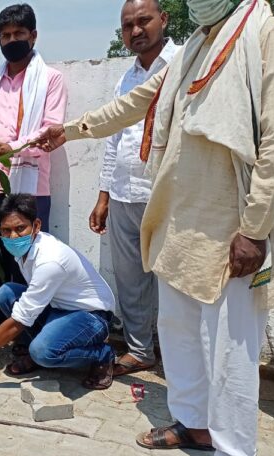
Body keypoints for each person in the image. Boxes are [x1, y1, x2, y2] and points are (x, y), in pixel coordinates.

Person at [37, 0, 274, 456]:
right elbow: (136, 103)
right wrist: (70, 131)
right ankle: (195, 425)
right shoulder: (197, 46)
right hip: (180, 221)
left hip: (233, 227)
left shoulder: (271, 36)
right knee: (178, 332)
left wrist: (255, 227)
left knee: (230, 344)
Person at [0, 194, 117, 390]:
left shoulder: (50, 260)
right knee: (6, 293)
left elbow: (19, 321)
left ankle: (102, 354)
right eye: (6, 230)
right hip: (58, 308)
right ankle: (36, 348)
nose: (13, 236)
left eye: (20, 228)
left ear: (36, 226)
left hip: (91, 316)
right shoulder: (25, 251)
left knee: (43, 352)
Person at [93, 0, 179, 376]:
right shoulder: (126, 77)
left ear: (164, 19)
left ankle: (182, 359)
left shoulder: (183, 64)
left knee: (178, 282)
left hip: (169, 196)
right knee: (130, 281)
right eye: (128, 25)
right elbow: (114, 139)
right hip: (125, 194)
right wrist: (103, 195)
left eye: (144, 21)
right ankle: (140, 351)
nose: (136, 30)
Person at [0, 3, 68, 288]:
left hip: (31, 188)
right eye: (5, 36)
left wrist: (13, 147)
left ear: (33, 35)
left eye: (18, 33)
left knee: (30, 261)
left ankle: (28, 328)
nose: (12, 40)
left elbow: (49, 132)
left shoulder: (50, 80)